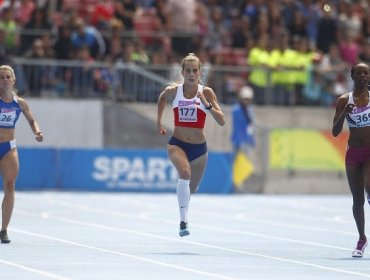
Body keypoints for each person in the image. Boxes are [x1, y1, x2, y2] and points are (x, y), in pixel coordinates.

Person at [157, 53, 225, 237]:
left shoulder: (207, 92)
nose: (191, 74)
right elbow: (162, 98)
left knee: (191, 188)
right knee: (184, 173)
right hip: (177, 143)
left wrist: (208, 106)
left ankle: (183, 200)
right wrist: (159, 122)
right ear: (182, 72)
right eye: (188, 71)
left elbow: (222, 121)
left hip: (199, 149)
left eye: (195, 71)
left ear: (199, 73)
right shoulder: (174, 91)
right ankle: (183, 222)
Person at [0, 65, 43, 243]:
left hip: (8, 147)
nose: (4, 80)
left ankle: (3, 230)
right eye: (1, 77)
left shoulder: (20, 103)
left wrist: (37, 132)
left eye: (7, 77)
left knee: (10, 185)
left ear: (14, 80)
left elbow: (32, 120)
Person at [332, 62, 370, 258]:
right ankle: (362, 239)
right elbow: (335, 132)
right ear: (353, 76)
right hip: (354, 151)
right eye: (359, 73)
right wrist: (344, 115)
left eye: (366, 73)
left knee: (369, 185)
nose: (363, 76)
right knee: (357, 199)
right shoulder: (344, 101)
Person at [231, 85, 256, 158]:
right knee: (236, 162)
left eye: (248, 99)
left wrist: (251, 139)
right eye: (244, 99)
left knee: (247, 162)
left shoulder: (249, 109)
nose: (246, 101)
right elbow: (238, 126)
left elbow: (251, 125)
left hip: (247, 140)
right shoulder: (237, 109)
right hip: (239, 140)